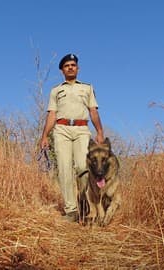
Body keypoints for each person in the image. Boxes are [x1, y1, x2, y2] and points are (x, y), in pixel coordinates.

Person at [40, 53, 104, 222]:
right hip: (61, 130)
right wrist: (45, 135)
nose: (70, 67)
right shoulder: (56, 90)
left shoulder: (87, 88)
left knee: (83, 166)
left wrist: (100, 132)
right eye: (67, 65)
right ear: (62, 70)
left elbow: (93, 111)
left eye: (73, 65)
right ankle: (71, 211)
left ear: (78, 68)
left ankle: (83, 199)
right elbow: (52, 114)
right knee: (64, 168)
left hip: (82, 129)